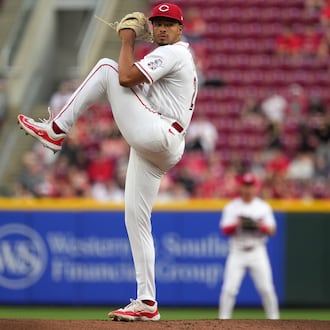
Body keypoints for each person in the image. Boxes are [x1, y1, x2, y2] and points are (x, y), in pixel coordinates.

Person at [17, 2, 198, 322]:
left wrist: (127, 39)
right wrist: (132, 44)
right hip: (160, 143)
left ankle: (56, 130)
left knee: (105, 67)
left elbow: (125, 77)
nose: (162, 28)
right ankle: (147, 300)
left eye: (169, 24)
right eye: (158, 23)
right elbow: (135, 81)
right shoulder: (169, 56)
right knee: (136, 220)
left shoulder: (174, 53)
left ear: (181, 29)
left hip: (160, 134)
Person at [218, 173, 279, 320]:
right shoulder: (232, 206)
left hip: (257, 251)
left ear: (255, 187)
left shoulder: (262, 207)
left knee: (266, 289)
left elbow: (272, 230)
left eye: (251, 186)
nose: (248, 189)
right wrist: (237, 224)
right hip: (237, 251)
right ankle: (222, 322)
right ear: (241, 187)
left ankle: (275, 321)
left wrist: (259, 225)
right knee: (229, 289)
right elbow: (224, 229)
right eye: (245, 185)